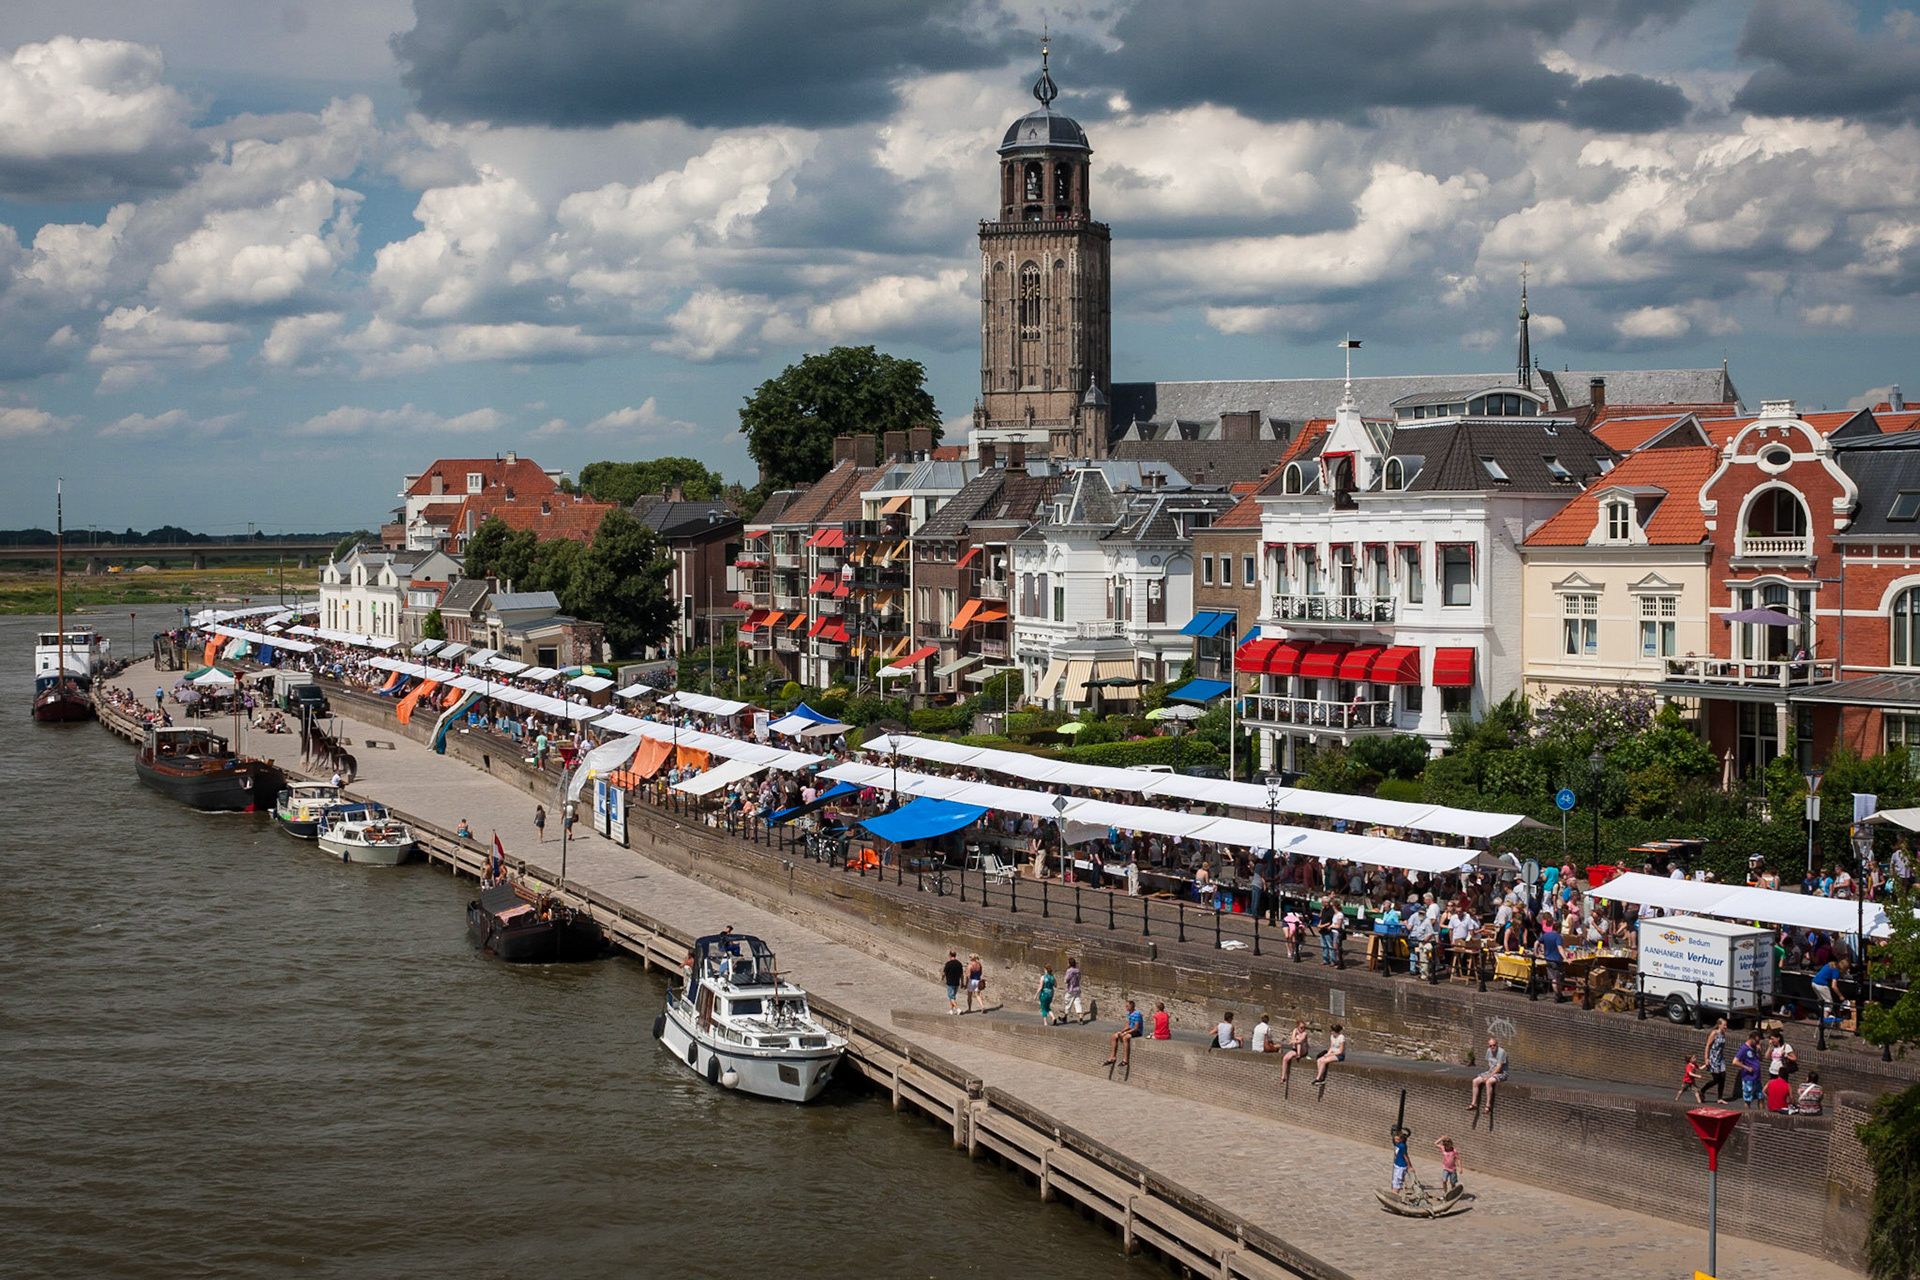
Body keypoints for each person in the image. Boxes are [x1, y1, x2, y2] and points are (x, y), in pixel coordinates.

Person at [1469, 1035, 1508, 1112]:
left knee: (1488, 1082)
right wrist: (1486, 1074)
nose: (1492, 1047)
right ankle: (1474, 1103)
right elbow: (1489, 1064)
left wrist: (1488, 1077)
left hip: (1501, 1073)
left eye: (1494, 1045)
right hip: (1491, 1071)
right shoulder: (1488, 1051)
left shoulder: (1501, 1052)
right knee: (1475, 1081)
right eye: (1491, 1046)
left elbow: (1498, 1068)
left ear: (1497, 1044)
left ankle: (1488, 1105)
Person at [1103, 999, 1145, 1067]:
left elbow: (1136, 1028)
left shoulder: (1137, 1014)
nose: (1126, 1007)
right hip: (1131, 1030)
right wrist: (1121, 1031)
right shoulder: (1129, 1013)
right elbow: (1129, 1025)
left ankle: (1125, 1060)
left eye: (1127, 1006)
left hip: (1137, 1031)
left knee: (1125, 1038)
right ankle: (1112, 1057)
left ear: (1131, 1006)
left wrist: (1125, 1033)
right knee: (1114, 1036)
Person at [1812, 957, 1849, 1024]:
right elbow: (1834, 986)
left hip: (1814, 982)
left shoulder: (1831, 964)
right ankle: (1825, 1018)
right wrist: (1840, 996)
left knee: (1822, 1001)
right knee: (1829, 1001)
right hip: (1821, 984)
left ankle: (1822, 1016)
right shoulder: (1836, 970)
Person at [1704, 1018, 1729, 1103]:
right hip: (1714, 1058)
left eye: (1726, 1025)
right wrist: (1706, 1058)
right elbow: (1708, 1045)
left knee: (1723, 1077)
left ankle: (1720, 1098)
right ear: (1719, 1025)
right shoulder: (1714, 1033)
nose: (1726, 1027)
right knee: (1716, 1079)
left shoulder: (1723, 1034)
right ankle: (1702, 1090)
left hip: (1721, 1058)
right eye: (1724, 1025)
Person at [1735, 1031, 1763, 1108]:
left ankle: (1762, 1113)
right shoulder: (1744, 1049)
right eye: (1756, 1041)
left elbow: (1761, 1059)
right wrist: (1747, 1068)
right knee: (1748, 1099)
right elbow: (1735, 1061)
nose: (1757, 1043)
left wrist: (1759, 1051)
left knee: (1761, 1097)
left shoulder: (1754, 1048)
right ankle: (1747, 1115)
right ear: (1751, 1039)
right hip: (1748, 1078)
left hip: (1757, 1077)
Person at [1390, 1126, 1413, 1192]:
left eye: (1397, 1139)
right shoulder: (1397, 1144)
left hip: (1401, 1166)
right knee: (1395, 1181)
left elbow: (1406, 1156)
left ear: (1401, 1140)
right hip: (1397, 1164)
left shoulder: (1402, 1146)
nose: (1396, 1141)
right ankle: (1394, 1192)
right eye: (1395, 1139)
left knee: (1398, 1181)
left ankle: (1395, 1193)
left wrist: (1409, 1166)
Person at [1062, 958, 1084, 1024]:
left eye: (1068, 963)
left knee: (1067, 1003)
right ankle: (1080, 1018)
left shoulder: (1069, 971)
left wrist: (1068, 981)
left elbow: (1065, 981)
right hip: (1077, 989)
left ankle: (1065, 1017)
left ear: (1069, 964)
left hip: (1071, 989)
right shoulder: (1078, 971)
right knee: (1078, 1003)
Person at [943, 950, 964, 1015]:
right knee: (953, 996)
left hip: (950, 982)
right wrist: (962, 982)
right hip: (956, 982)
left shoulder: (948, 964)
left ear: (950, 955)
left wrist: (942, 977)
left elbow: (944, 973)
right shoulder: (959, 964)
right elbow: (961, 975)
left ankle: (958, 1009)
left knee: (951, 997)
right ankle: (951, 1010)